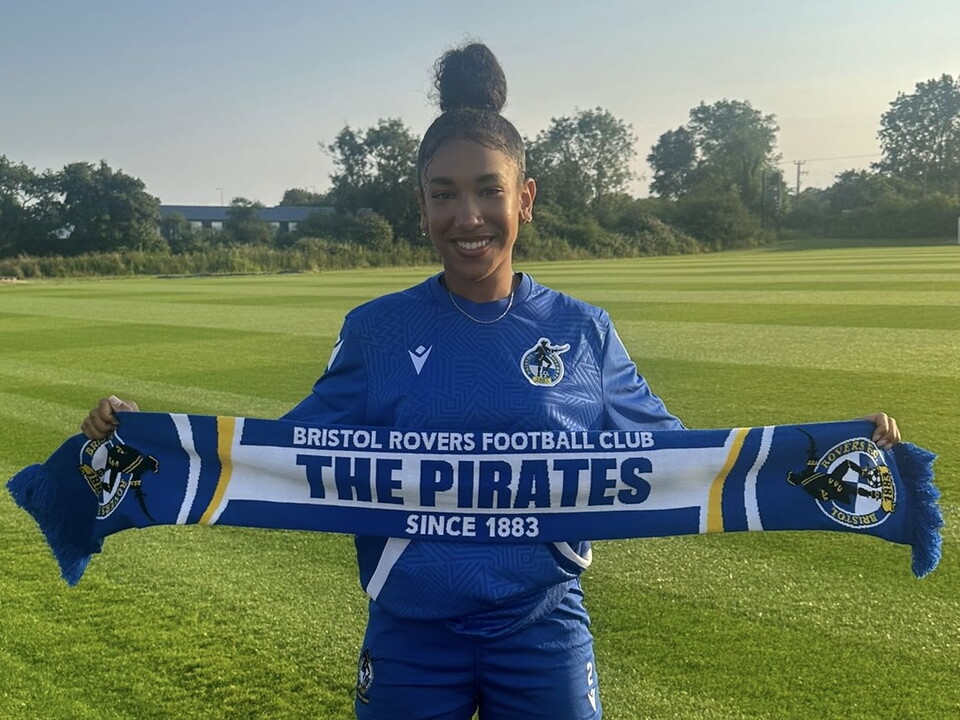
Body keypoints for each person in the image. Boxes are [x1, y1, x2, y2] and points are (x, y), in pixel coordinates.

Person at [82, 42, 901, 720]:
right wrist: (139, 438)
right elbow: (287, 453)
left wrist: (832, 451)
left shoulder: (582, 331)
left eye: (488, 192)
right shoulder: (379, 329)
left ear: (526, 199)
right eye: (445, 195)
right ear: (422, 205)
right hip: (410, 635)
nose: (466, 217)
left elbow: (674, 457)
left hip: (542, 628)